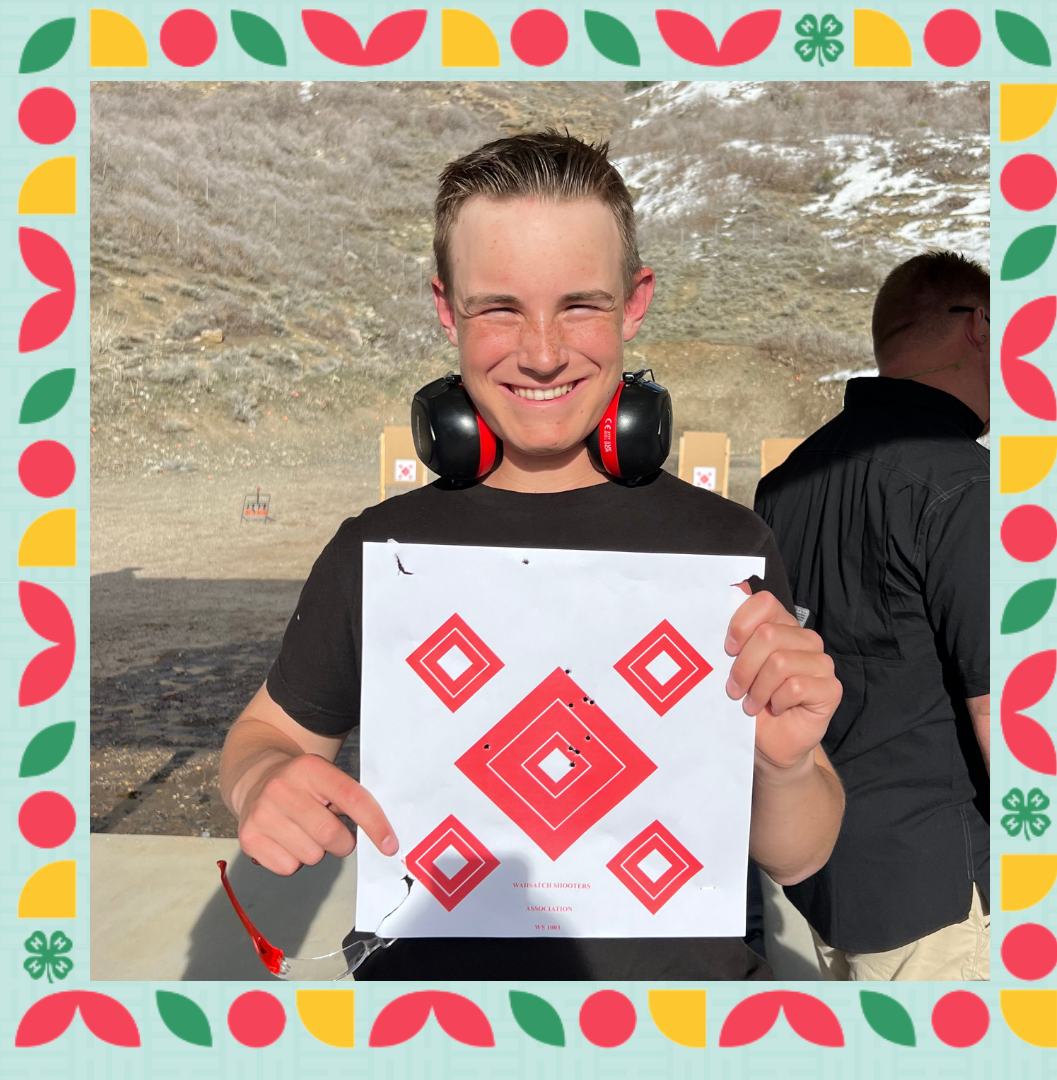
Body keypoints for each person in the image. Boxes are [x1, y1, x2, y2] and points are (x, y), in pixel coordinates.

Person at [219, 131, 845, 981]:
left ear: (635, 302)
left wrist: (790, 761)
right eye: (500, 308)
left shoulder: (728, 548)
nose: (544, 351)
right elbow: (267, 733)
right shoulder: (379, 548)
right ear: (447, 309)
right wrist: (261, 782)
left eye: (581, 304)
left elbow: (798, 854)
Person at [754, 251, 991, 981]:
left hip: (804, 876)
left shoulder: (784, 484)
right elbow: (1004, 712)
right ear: (979, 328)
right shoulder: (966, 486)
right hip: (936, 896)